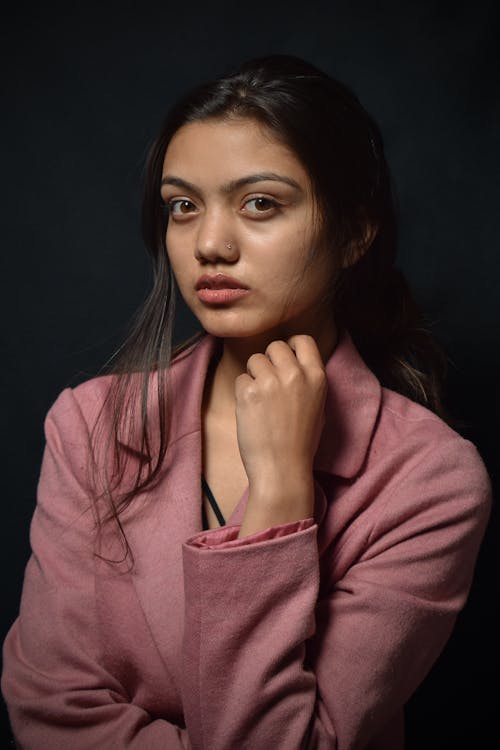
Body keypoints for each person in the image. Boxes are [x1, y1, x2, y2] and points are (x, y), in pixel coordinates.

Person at [1, 54, 492, 750]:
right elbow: (52, 711)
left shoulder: (431, 481)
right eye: (183, 206)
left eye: (261, 203)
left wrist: (282, 494)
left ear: (355, 230)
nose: (210, 243)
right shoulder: (90, 425)